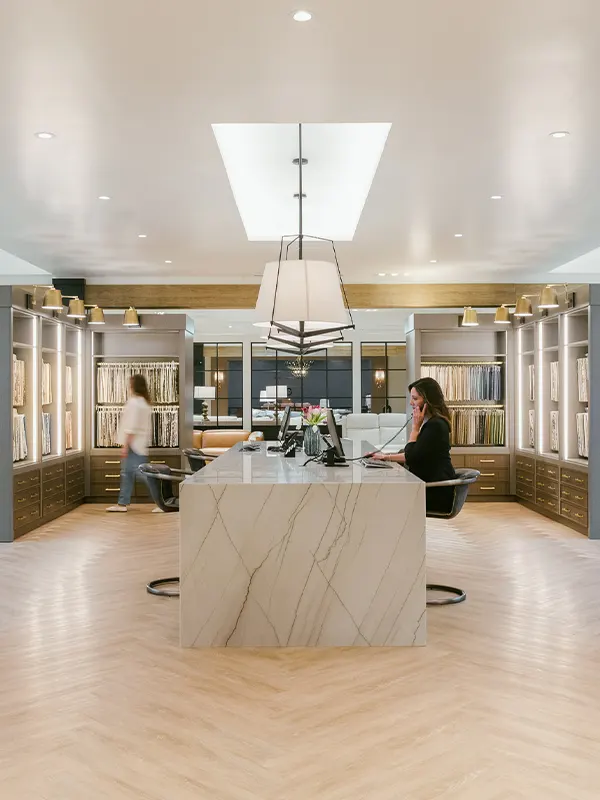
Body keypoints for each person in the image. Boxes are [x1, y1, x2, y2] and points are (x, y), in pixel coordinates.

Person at [368, 377, 456, 514]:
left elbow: (411, 456)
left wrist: (415, 429)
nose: (411, 403)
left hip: (435, 492)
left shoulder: (436, 425)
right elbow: (414, 452)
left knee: (383, 497)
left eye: (415, 399)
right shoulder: (433, 423)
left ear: (428, 401)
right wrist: (385, 457)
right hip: (429, 488)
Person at [106, 374, 153, 513]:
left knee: (143, 475)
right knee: (128, 474)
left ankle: (162, 501)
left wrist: (125, 445)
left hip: (133, 445)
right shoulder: (144, 403)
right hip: (140, 444)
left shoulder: (134, 402)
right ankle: (122, 503)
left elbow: (131, 426)